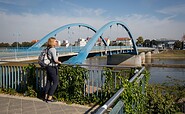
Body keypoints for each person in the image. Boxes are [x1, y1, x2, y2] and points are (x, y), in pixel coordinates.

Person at [44, 37, 61, 102]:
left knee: (49, 82)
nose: (56, 42)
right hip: (53, 67)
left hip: (48, 67)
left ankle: (45, 96)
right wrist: (59, 62)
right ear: (52, 42)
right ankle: (50, 98)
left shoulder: (48, 49)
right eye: (55, 41)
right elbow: (55, 60)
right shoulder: (53, 49)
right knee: (55, 82)